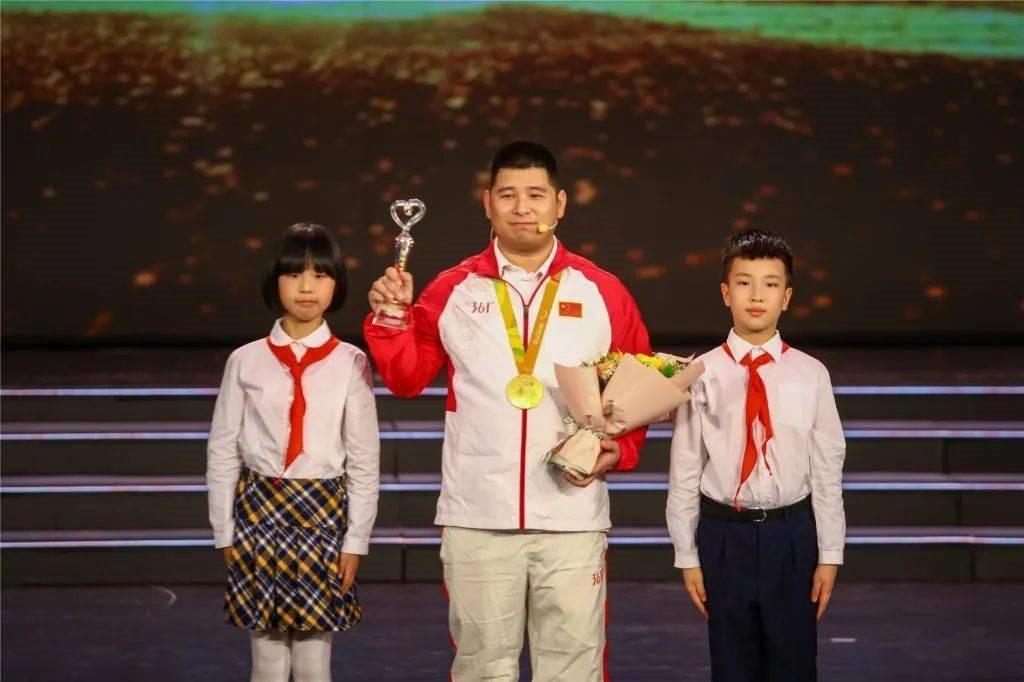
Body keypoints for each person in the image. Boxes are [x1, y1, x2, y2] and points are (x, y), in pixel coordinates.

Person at [365, 141, 651, 681]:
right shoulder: (452, 289)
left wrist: (620, 448)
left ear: (561, 204)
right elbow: (405, 378)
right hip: (478, 516)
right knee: (481, 670)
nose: (523, 207)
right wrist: (390, 319)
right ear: (487, 203)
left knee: (572, 669)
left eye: (536, 195)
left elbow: (637, 390)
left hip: (570, 516)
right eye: (509, 195)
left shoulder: (602, 291)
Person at [666, 228, 846, 681]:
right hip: (725, 534)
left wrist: (830, 553)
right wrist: (686, 554)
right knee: (732, 665)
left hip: (792, 534)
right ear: (726, 293)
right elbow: (684, 469)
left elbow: (827, 470)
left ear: (787, 296)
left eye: (770, 284)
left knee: (794, 664)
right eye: (744, 282)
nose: (756, 295)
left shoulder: (811, 374)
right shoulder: (699, 374)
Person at [207, 223, 380, 682]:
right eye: (294, 275)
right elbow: (223, 449)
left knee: (312, 656)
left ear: (336, 285)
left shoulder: (351, 362)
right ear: (274, 282)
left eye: (321, 275)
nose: (307, 287)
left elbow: (364, 460)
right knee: (265, 655)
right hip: (259, 511)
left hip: (322, 513)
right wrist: (223, 530)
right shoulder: (245, 360)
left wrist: (356, 539)